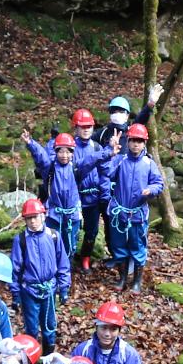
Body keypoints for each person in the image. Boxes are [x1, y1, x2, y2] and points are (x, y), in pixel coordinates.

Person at [100, 123, 164, 292]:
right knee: (119, 246)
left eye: (139, 141)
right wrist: (109, 152)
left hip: (138, 214)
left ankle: (136, 281)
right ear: (127, 141)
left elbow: (159, 183)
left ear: (144, 143)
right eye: (133, 140)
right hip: (119, 212)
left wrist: (151, 190)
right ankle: (121, 279)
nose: (136, 144)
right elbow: (106, 173)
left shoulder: (149, 163)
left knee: (138, 247)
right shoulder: (120, 160)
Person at [10, 197, 72, 353]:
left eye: (35, 217)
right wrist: (15, 294)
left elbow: (63, 263)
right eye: (29, 218)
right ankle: (32, 358)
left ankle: (47, 358)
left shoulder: (53, 236)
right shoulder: (21, 240)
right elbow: (15, 269)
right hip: (29, 290)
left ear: (43, 216)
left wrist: (63, 288)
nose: (32, 221)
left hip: (49, 289)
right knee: (31, 328)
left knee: (49, 326)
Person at [23, 129, 83, 260]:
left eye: (68, 152)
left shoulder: (76, 168)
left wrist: (108, 152)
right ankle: (52, 269)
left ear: (72, 153)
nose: (64, 155)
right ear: (56, 152)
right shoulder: (49, 168)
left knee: (71, 244)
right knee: (52, 243)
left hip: (72, 214)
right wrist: (30, 143)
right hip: (54, 214)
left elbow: (92, 160)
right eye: (61, 151)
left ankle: (67, 270)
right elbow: (41, 156)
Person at [69, 108, 108, 272]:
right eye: (82, 127)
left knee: (92, 231)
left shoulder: (97, 147)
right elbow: (73, 172)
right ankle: (68, 260)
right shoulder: (69, 148)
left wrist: (104, 194)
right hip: (75, 197)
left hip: (93, 197)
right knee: (72, 230)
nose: (86, 130)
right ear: (76, 128)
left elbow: (104, 171)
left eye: (89, 127)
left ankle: (85, 259)